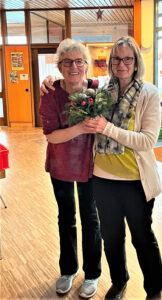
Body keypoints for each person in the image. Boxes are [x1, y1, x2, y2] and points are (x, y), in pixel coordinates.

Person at [40, 36, 162, 300]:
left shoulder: (141, 92)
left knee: (139, 236)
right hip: (98, 176)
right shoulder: (101, 89)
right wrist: (49, 80)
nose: (121, 64)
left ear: (136, 62)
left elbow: (148, 140)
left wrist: (106, 128)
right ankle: (115, 280)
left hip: (125, 176)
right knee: (109, 235)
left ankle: (151, 289)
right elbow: (52, 128)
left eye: (127, 58)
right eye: (116, 59)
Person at [39, 38, 101, 299]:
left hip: (90, 166)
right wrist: (79, 128)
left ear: (86, 66)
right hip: (61, 165)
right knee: (66, 218)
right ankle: (68, 270)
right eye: (67, 62)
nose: (74, 66)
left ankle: (93, 274)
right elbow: (51, 135)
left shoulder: (98, 90)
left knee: (90, 218)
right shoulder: (51, 93)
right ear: (60, 67)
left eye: (79, 61)